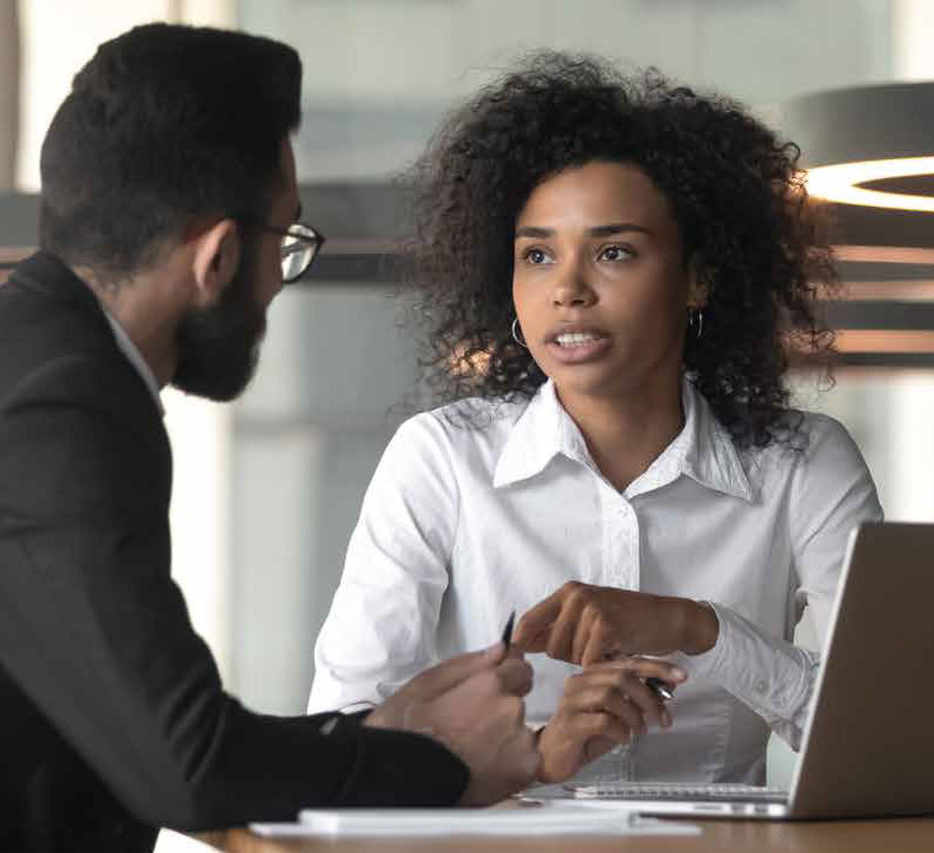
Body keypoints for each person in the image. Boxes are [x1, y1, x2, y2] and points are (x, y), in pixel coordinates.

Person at [0, 24, 538, 853]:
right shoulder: (58, 407)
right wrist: (442, 763)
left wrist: (379, 732)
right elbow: (186, 763)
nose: (278, 281)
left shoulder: (0, 354)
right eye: (286, 243)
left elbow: (136, 727)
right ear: (220, 254)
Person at [309, 53, 882, 787]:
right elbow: (343, 725)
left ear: (698, 276)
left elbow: (877, 732)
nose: (568, 290)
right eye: (538, 255)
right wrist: (532, 759)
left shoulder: (803, 464)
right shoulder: (442, 461)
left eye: (613, 251)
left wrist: (699, 629)